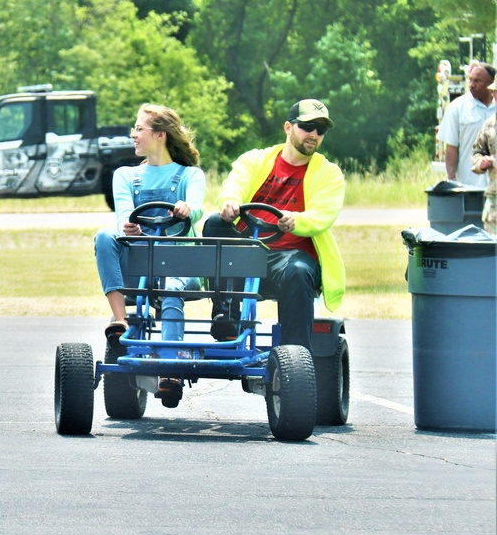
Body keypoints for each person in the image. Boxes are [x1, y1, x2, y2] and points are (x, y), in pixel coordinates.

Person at [204, 99, 345, 354]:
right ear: (288, 128)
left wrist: (297, 220)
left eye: (320, 130)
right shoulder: (255, 159)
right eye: (307, 126)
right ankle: (226, 316)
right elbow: (235, 183)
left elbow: (324, 214)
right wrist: (230, 202)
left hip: (291, 258)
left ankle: (295, 355)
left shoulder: (329, 173)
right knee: (215, 224)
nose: (313, 134)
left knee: (300, 271)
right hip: (248, 251)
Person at [94, 104, 205, 344]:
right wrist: (127, 226)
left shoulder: (190, 175)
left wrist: (187, 209)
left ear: (160, 135)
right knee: (105, 235)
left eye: (138, 129)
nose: (133, 135)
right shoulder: (125, 175)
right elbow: (124, 215)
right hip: (140, 265)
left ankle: (171, 362)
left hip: (181, 266)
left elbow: (197, 208)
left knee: (171, 285)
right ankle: (121, 320)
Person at [438, 63, 496, 187]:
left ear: (490, 84)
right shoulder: (457, 108)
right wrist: (452, 180)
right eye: (470, 80)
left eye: (477, 81)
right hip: (469, 185)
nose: (471, 85)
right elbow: (451, 147)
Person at [471, 78, 497, 234]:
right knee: (493, 251)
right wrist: (481, 162)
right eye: (494, 93)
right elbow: (477, 152)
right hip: (495, 201)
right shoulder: (489, 125)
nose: (495, 96)